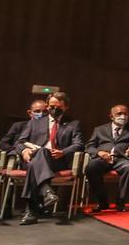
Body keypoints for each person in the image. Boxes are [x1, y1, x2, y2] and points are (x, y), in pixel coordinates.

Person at [13, 91, 83, 224]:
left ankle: (31, 211)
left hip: (57, 160)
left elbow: (79, 145)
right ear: (47, 105)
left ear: (65, 107)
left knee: (38, 160)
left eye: (58, 107)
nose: (54, 109)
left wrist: (63, 152)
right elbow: (19, 142)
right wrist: (24, 151)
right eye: (51, 106)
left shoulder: (73, 124)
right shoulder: (35, 123)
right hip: (31, 158)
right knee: (40, 153)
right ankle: (46, 191)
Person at [84, 104, 129, 212]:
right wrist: (99, 152)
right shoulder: (99, 129)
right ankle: (102, 202)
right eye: (119, 114)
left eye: (125, 114)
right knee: (91, 168)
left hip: (122, 159)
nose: (123, 116)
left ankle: (121, 202)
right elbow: (89, 146)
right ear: (111, 116)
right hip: (103, 159)